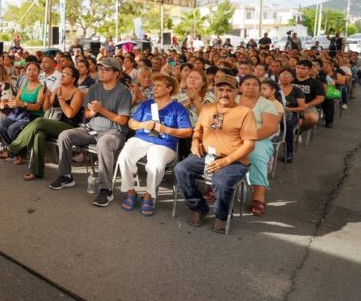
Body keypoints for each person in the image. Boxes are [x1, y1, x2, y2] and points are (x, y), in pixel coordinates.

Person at [174, 74, 257, 233]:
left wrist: (225, 162)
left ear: (236, 92)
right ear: (215, 91)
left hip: (234, 160)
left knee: (220, 180)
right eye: (220, 89)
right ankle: (198, 207)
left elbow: (249, 145)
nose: (224, 94)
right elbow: (197, 130)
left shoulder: (245, 112)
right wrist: (195, 143)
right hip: (207, 156)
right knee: (181, 169)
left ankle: (222, 215)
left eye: (229, 90)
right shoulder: (207, 108)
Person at [48, 57, 131, 208]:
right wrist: (92, 112)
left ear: (116, 73)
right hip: (92, 129)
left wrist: (102, 110)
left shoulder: (124, 92)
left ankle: (106, 189)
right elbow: (86, 114)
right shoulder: (94, 88)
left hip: (114, 132)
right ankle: (65, 176)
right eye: (100, 69)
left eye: (106, 69)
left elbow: (122, 121)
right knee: (65, 135)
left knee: (104, 142)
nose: (101, 72)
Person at [116, 73, 192, 216]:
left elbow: (188, 132)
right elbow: (131, 123)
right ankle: (131, 191)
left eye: (158, 86)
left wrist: (167, 129)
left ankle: (148, 195)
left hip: (165, 143)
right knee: (124, 157)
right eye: (153, 85)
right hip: (142, 139)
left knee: (155, 166)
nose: (154, 88)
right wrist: (143, 124)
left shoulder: (177, 108)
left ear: (169, 88)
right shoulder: (147, 104)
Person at [2, 65, 85, 180]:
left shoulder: (77, 93)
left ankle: (13, 148)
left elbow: (70, 114)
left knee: (39, 121)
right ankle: (36, 171)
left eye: (66, 74)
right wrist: (47, 97)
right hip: (52, 123)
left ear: (73, 79)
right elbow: (46, 109)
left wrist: (60, 99)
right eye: (62, 73)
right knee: (38, 135)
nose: (62, 75)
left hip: (68, 126)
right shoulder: (57, 90)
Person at [237, 75, 280, 216]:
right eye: (247, 84)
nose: (251, 87)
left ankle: (259, 196)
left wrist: (249, 138)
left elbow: (270, 127)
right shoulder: (234, 100)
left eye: (255, 84)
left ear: (259, 88)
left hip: (259, 138)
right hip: (234, 137)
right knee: (218, 150)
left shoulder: (266, 104)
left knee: (256, 155)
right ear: (240, 87)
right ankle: (215, 185)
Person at [0, 61, 45, 153]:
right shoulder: (24, 86)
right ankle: (13, 150)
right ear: (25, 72)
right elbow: (15, 101)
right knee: (1, 126)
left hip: (33, 116)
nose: (31, 72)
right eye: (29, 70)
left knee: (12, 129)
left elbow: (37, 107)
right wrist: (6, 103)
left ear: (39, 72)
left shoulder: (41, 88)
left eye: (34, 70)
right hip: (20, 114)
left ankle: (19, 153)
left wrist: (23, 104)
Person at [293, 59, 324, 131]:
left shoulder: (316, 82)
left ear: (309, 70)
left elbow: (320, 98)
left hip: (307, 106)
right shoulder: (290, 79)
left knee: (312, 119)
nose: (300, 70)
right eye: (298, 67)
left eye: (303, 68)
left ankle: (298, 131)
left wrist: (307, 105)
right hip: (289, 104)